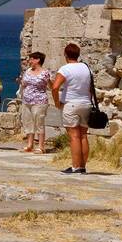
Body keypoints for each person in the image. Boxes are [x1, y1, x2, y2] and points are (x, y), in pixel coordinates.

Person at [50, 43, 91, 173]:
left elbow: (55, 87)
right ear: (78, 54)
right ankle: (82, 166)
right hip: (86, 103)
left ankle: (75, 167)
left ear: (65, 55)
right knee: (83, 135)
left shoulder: (65, 69)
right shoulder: (86, 68)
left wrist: (57, 102)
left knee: (74, 136)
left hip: (71, 104)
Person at [18, 51, 52, 153]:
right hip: (27, 100)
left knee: (39, 123)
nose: (30, 61)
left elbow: (50, 86)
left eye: (32, 59)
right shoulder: (28, 71)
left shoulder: (45, 73)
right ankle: (30, 144)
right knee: (28, 122)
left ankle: (41, 146)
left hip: (39, 101)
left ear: (38, 60)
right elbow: (24, 84)